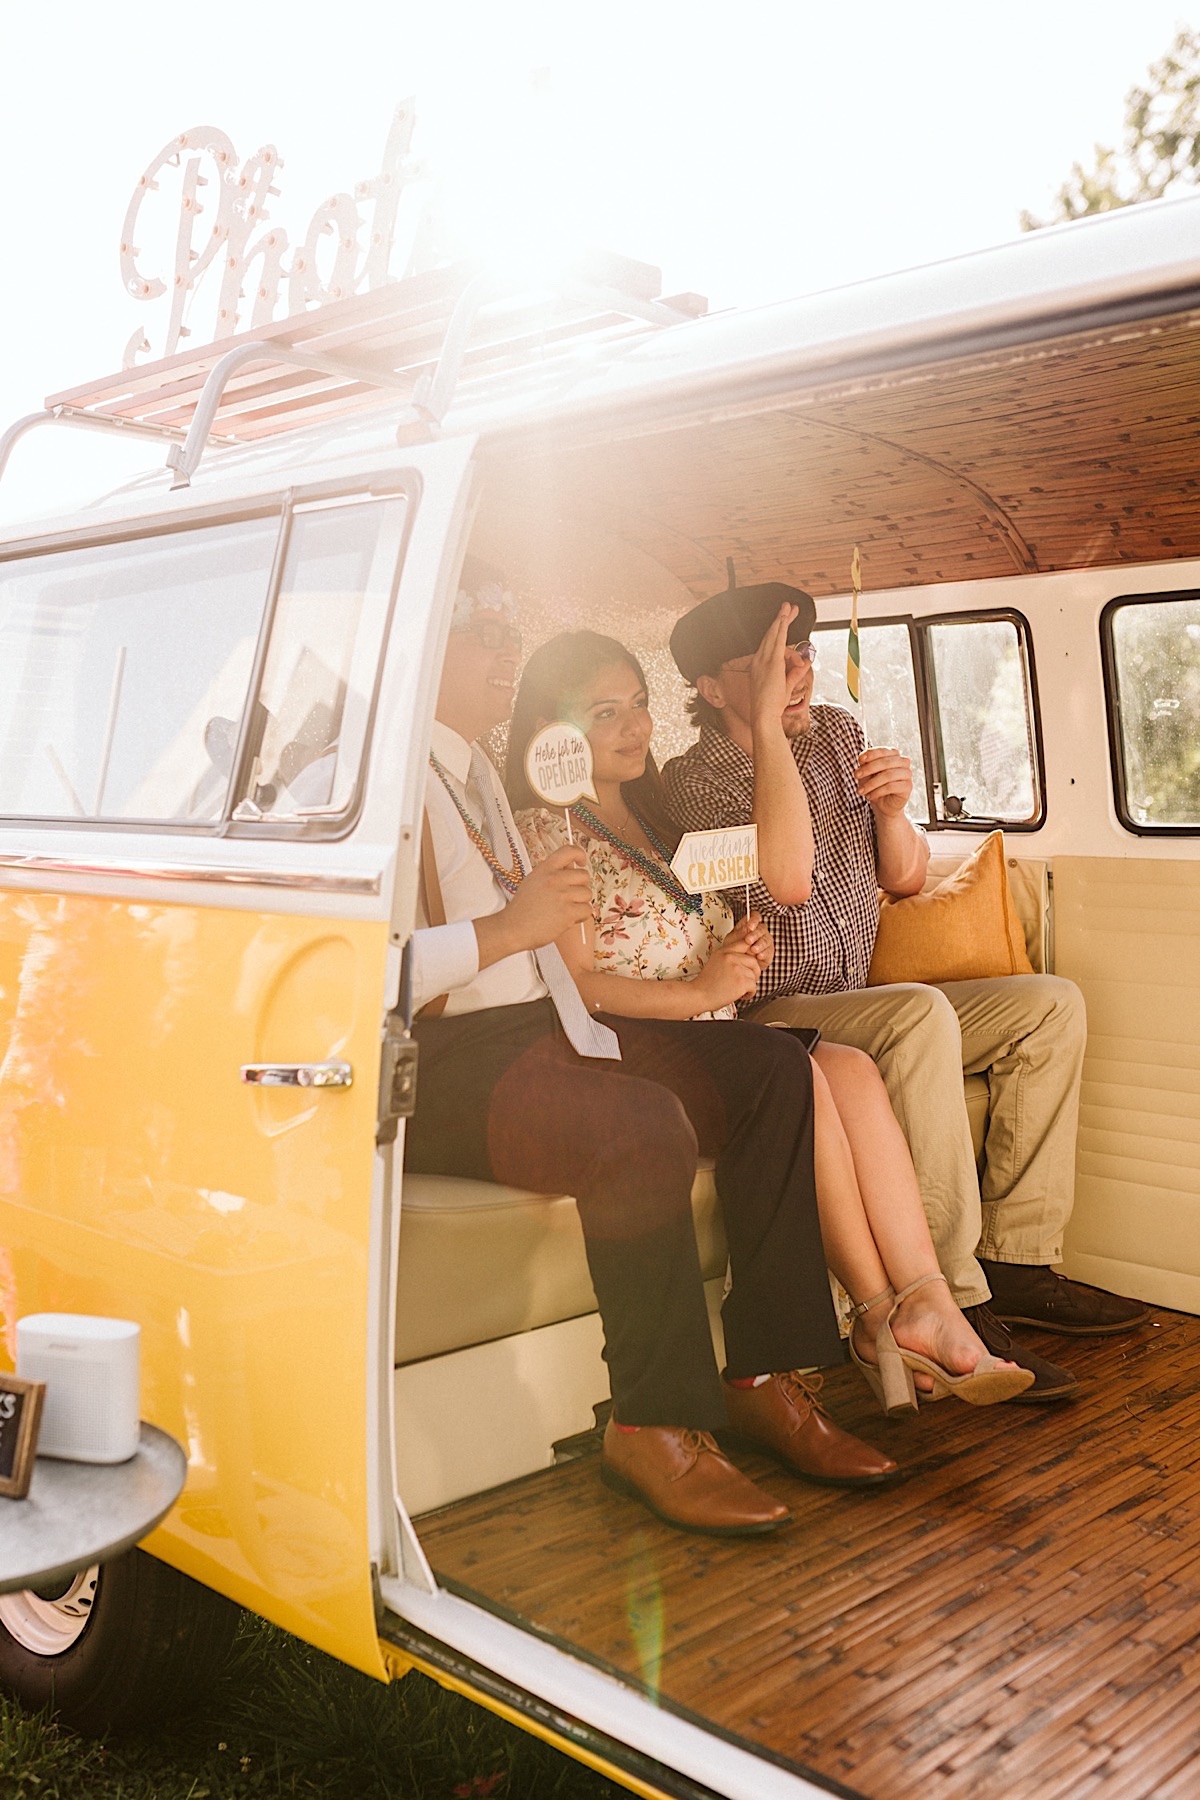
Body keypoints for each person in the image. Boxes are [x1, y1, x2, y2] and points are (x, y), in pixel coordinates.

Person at [405, 560, 905, 1540]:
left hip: (548, 1032)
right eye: (481, 629)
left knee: (771, 1071)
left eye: (510, 629)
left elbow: (770, 878)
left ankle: (764, 1374)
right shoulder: (405, 792)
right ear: (425, 646)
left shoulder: (480, 785)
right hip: (446, 1060)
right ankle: (651, 1424)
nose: (502, 648)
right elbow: (376, 971)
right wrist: (514, 933)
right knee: (638, 1127)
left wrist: (659, 998)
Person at [505, 629, 1032, 1417]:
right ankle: (880, 1313)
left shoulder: (657, 820)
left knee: (849, 1067)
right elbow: (583, 988)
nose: (636, 727)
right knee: (809, 1073)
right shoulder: (553, 831)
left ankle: (924, 1301)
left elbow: (776, 878)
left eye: (640, 704)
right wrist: (708, 985)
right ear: (554, 732)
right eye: (605, 712)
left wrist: (731, 945)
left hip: (721, 1030)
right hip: (650, 1047)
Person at [660, 576, 1150, 1402]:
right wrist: (771, 736)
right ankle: (956, 1299)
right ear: (710, 690)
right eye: (769, 662)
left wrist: (894, 811)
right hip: (769, 1015)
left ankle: (1020, 1257)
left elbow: (906, 877)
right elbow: (787, 881)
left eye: (803, 652)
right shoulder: (694, 778)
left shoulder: (839, 733)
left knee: (1048, 1005)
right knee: (918, 1014)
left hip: (853, 995)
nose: (797, 673)